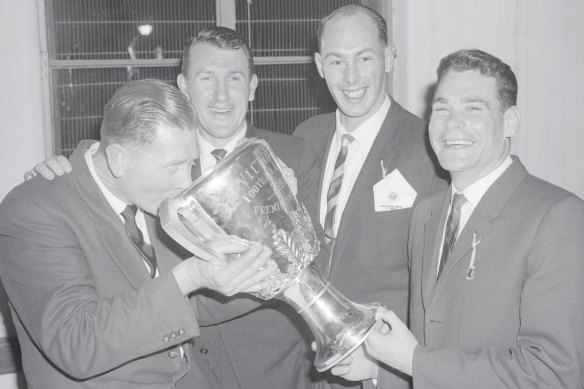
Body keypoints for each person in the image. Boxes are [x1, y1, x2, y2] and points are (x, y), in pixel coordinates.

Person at [25, 27, 321, 389]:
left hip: (271, 369)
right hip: (178, 365)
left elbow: (314, 259)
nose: (222, 95)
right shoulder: (152, 167)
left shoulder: (294, 158)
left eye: (235, 78)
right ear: (183, 85)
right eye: (207, 78)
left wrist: (278, 211)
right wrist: (66, 171)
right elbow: (106, 172)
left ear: (254, 86)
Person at [0, 79, 280, 388]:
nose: (184, 183)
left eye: (189, 163)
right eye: (173, 167)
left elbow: (188, 305)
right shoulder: (34, 210)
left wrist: (264, 272)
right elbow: (76, 343)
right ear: (119, 159)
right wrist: (188, 277)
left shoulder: (149, 197)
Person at [346, 49, 584, 388]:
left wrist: (413, 361)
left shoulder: (557, 216)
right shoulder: (427, 215)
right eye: (441, 108)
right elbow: (431, 348)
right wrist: (377, 367)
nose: (451, 122)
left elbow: (552, 374)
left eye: (473, 108)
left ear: (511, 121)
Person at [294, 5, 446, 388]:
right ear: (318, 64)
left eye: (364, 58)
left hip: (379, 369)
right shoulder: (304, 138)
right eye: (336, 61)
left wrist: (387, 369)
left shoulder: (429, 150)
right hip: (307, 367)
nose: (351, 77)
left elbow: (438, 293)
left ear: (390, 57)